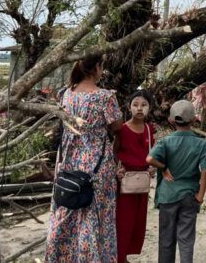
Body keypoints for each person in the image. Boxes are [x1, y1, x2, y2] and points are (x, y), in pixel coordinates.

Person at [45, 55, 123, 262]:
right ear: (96, 68)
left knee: (67, 207)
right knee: (95, 213)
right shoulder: (105, 97)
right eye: (101, 66)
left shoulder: (65, 94)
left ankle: (61, 257)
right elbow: (117, 126)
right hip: (96, 163)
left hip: (68, 161)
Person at [146, 100, 206, 263]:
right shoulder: (201, 143)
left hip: (167, 196)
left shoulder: (165, 142)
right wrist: (200, 196)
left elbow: (150, 159)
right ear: (194, 120)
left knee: (166, 240)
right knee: (186, 239)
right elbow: (205, 170)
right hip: (190, 196)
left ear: (170, 120)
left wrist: (164, 167)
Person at [114, 90, 156, 263]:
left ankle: (125, 256)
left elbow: (152, 153)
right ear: (129, 107)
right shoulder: (122, 129)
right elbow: (114, 153)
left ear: (150, 108)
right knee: (123, 222)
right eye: (135, 105)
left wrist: (153, 166)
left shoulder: (148, 129)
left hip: (142, 182)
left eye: (144, 105)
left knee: (138, 223)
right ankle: (119, 257)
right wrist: (117, 169)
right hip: (125, 183)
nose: (139, 109)